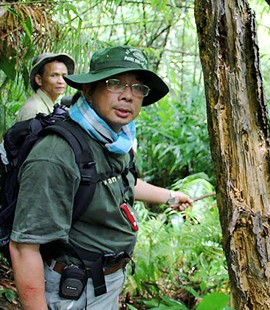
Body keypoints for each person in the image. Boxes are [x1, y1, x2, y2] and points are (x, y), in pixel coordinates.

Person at [9, 45, 193, 309]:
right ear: (89, 89)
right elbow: (24, 247)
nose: (128, 96)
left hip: (104, 284)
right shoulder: (57, 153)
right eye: (115, 83)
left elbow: (116, 182)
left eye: (138, 87)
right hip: (72, 292)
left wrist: (171, 196)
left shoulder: (114, 140)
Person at [16, 52, 75, 122]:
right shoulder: (34, 110)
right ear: (39, 80)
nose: (61, 81)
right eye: (54, 75)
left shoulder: (49, 105)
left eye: (64, 76)